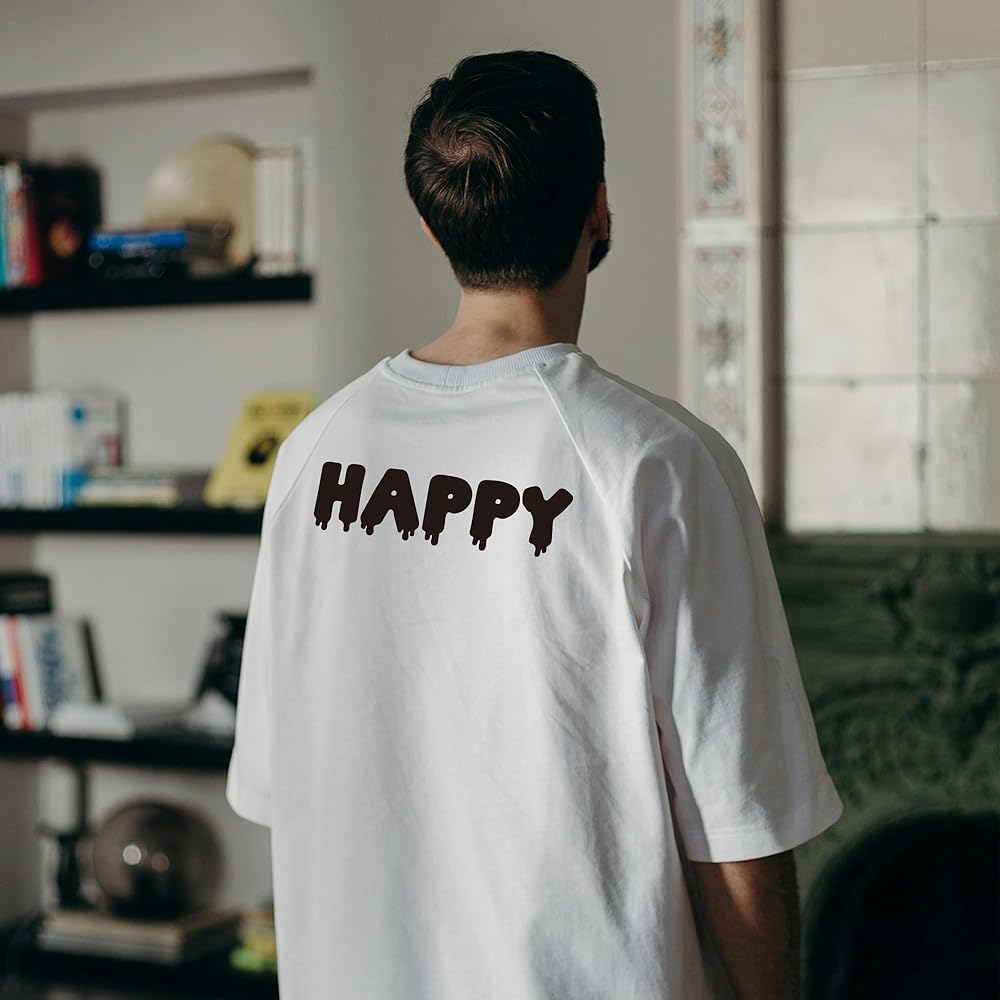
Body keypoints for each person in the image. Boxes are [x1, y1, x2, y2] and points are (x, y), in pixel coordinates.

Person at [225, 49, 844, 999]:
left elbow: (281, 780)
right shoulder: (658, 463)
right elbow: (737, 821)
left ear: (434, 228)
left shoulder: (313, 453)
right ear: (599, 209)